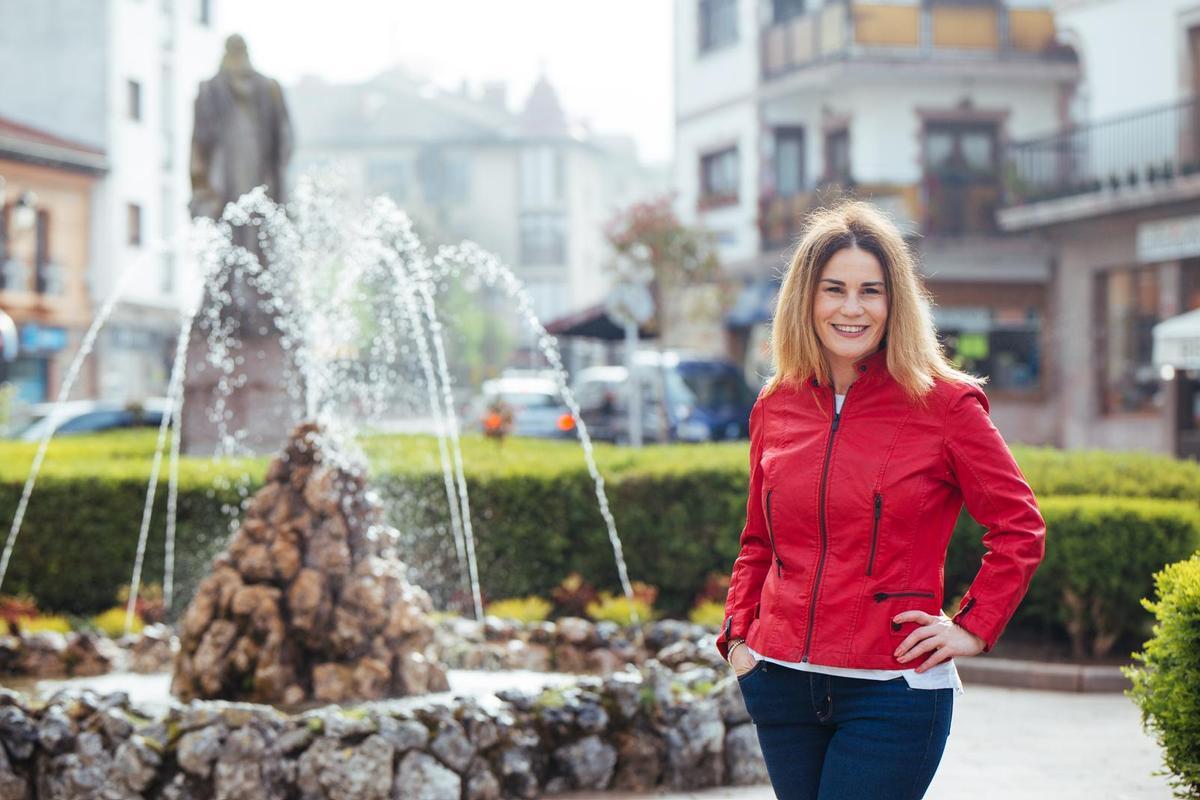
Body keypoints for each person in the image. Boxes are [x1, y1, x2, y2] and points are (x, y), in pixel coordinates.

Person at [717, 201, 1045, 800]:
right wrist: (739, 639)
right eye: (833, 289)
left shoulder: (947, 406)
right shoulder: (776, 404)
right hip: (781, 682)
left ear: (896, 301)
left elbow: (1019, 527)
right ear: (805, 299)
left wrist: (972, 627)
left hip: (892, 689)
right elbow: (758, 541)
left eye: (871, 290)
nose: (851, 307)